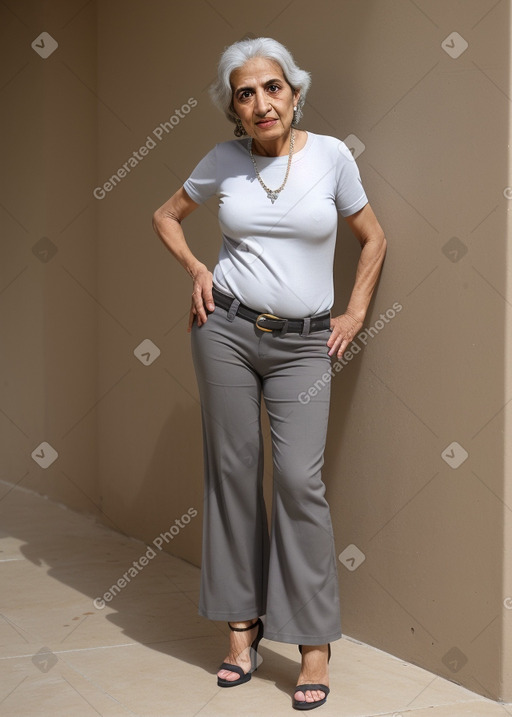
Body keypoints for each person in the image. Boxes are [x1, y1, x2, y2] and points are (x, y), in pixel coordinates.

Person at [152, 36, 387, 711]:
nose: (261, 103)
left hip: (305, 344)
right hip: (223, 330)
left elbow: (373, 235)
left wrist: (355, 310)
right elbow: (166, 217)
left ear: (294, 91)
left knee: (297, 479)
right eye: (246, 93)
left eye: (272, 88)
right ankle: (240, 626)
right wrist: (199, 268)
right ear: (233, 106)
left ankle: (313, 641)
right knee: (231, 472)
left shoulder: (333, 157)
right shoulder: (222, 162)